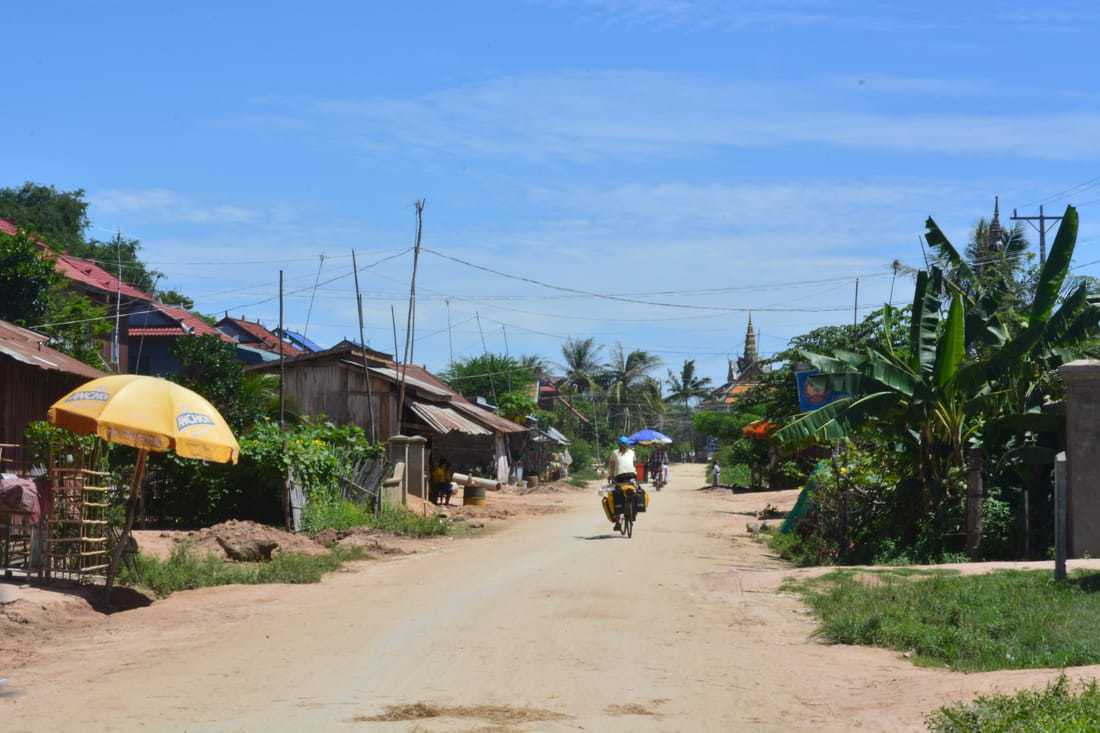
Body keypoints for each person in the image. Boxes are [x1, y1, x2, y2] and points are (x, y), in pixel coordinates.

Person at [605, 436, 637, 532]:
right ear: (628, 445)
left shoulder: (614, 453)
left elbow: (611, 466)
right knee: (636, 493)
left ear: (618, 444)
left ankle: (618, 522)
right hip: (631, 476)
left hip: (619, 477)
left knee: (616, 497)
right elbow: (634, 464)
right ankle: (633, 514)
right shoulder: (632, 452)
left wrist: (610, 476)